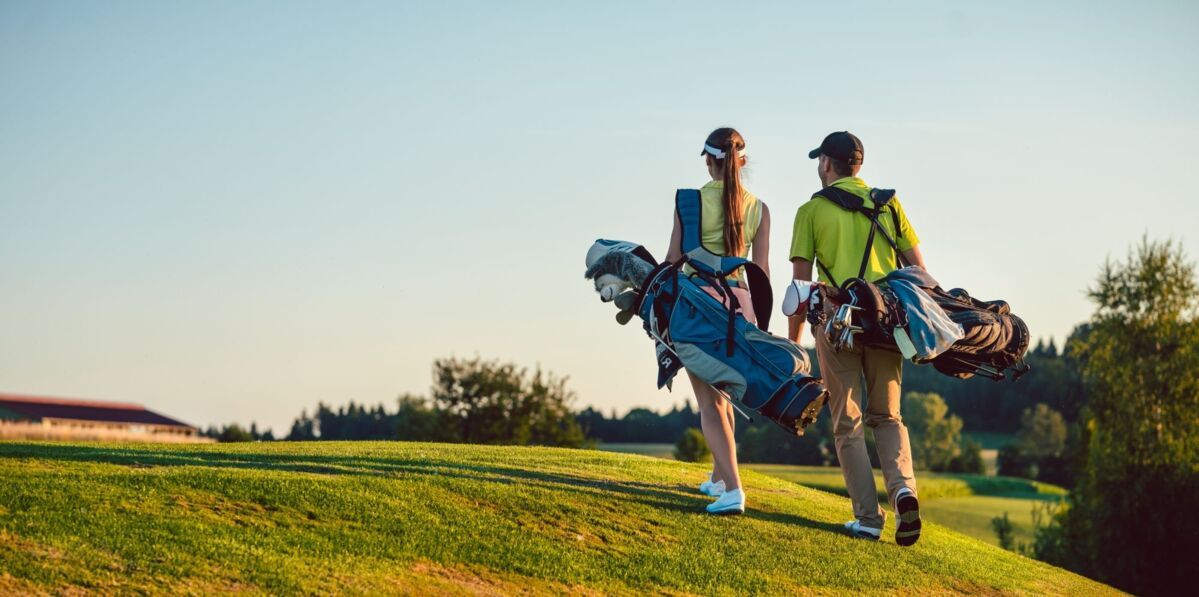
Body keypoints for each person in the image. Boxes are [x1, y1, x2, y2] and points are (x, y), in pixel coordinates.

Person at [787, 131, 925, 545]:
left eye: (819, 161)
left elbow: (800, 289)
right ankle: (903, 490)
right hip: (886, 323)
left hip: (836, 321)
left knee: (848, 423)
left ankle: (867, 518)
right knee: (888, 416)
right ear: (859, 166)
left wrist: (795, 345)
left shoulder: (811, 210)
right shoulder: (889, 204)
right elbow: (919, 273)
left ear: (828, 164)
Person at [665, 127, 771, 515]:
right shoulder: (760, 207)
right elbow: (761, 272)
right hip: (741, 304)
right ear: (741, 161)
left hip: (698, 306)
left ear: (710, 161)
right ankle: (720, 478)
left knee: (708, 402)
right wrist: (759, 323)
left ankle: (734, 491)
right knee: (725, 396)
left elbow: (673, 260)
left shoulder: (688, 202)